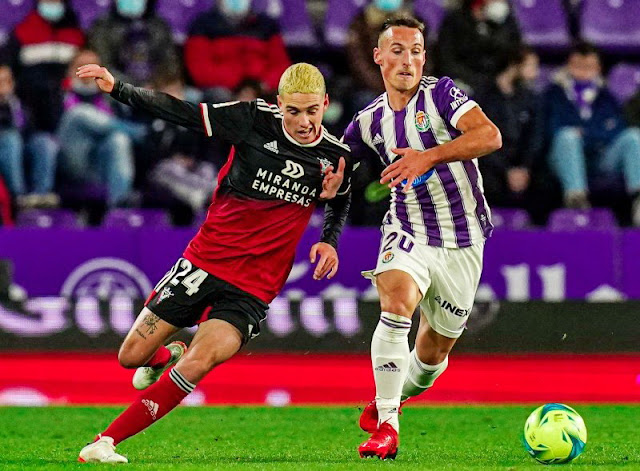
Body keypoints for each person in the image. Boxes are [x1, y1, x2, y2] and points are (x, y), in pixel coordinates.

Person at [75, 62, 352, 463]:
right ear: (279, 104)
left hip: (254, 287)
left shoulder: (335, 155)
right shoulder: (252, 120)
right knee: (130, 357)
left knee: (201, 359)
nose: (304, 121)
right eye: (294, 111)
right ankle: (164, 355)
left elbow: (341, 198)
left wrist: (329, 240)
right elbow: (183, 112)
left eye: (312, 110)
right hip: (203, 261)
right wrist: (119, 88)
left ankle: (105, 442)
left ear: (325, 104)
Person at [343, 15, 501, 459]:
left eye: (415, 50)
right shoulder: (368, 121)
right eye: (397, 50)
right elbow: (338, 164)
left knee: (431, 358)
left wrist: (428, 157)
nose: (408, 59)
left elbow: (490, 135)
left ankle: (386, 400)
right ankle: (388, 428)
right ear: (378, 57)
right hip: (407, 229)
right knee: (395, 303)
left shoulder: (442, 94)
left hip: (464, 239)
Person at [545, 41, 640, 219]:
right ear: (568, 66)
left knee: (633, 137)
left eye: (588, 67)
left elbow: (617, 129)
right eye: (578, 66)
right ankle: (576, 200)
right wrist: (592, 133)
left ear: (598, 68)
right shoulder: (554, 94)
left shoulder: (606, 96)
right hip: (564, 157)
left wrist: (586, 133)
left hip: (600, 157)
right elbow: (552, 129)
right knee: (567, 137)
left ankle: (639, 199)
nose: (583, 72)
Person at [57, 48, 136, 207]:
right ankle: (140, 133)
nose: (88, 73)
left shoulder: (112, 98)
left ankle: (118, 206)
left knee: (119, 139)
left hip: (100, 164)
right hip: (70, 159)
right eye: (81, 66)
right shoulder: (56, 94)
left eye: (93, 67)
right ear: (71, 69)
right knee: (79, 113)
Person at [474, 47, 544, 209]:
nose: (536, 73)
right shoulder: (483, 97)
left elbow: (535, 138)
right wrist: (505, 170)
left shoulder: (531, 98)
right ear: (514, 66)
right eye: (530, 66)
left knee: (544, 181)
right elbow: (479, 141)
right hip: (492, 166)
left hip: (523, 167)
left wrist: (524, 168)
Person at [435, 0, 521, 94]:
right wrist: (473, 80)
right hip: (464, 81)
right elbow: (446, 59)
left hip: (496, 82)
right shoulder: (455, 21)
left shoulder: (506, 22)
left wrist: (509, 73)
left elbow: (515, 51)